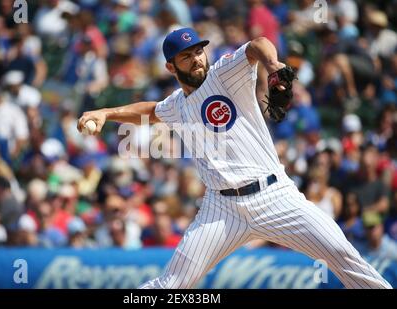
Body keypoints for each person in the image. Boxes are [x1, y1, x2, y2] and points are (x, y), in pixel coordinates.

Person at [78, 28, 392, 289]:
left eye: (199, 51)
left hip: (274, 194)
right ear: (171, 68)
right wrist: (105, 112)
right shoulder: (176, 105)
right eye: (186, 56)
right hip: (221, 208)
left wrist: (272, 65)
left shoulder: (224, 75)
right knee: (171, 284)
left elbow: (257, 45)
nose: (197, 59)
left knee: (341, 252)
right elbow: (149, 110)